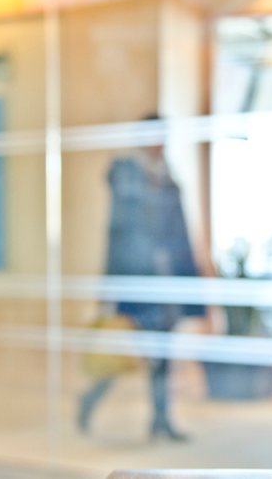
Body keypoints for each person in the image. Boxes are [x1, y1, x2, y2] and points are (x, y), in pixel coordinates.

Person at [78, 116, 203, 441]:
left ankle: (160, 419)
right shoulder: (129, 175)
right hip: (138, 284)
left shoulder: (167, 178)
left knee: (161, 356)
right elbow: (118, 234)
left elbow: (180, 234)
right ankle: (89, 398)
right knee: (123, 353)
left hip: (167, 284)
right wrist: (112, 288)